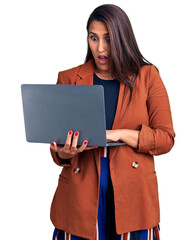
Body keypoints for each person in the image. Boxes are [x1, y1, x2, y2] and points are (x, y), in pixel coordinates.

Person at [50, 4, 175, 240]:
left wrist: (118, 134)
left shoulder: (148, 76)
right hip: (80, 194)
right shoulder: (68, 78)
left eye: (108, 38)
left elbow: (166, 139)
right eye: (93, 38)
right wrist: (65, 152)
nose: (100, 48)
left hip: (134, 194)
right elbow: (57, 147)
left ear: (122, 38)